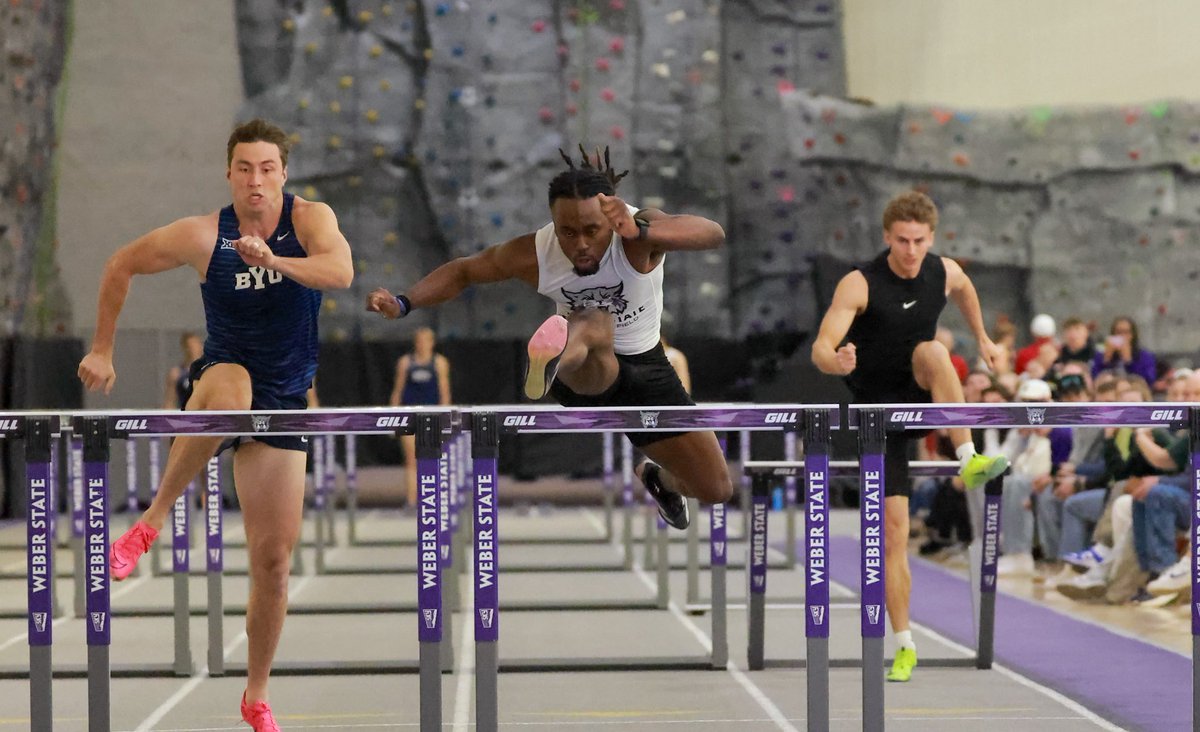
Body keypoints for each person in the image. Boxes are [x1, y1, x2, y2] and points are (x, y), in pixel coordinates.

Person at [76, 119, 354, 732]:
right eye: (244, 169)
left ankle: (256, 694)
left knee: (274, 562)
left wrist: (275, 261)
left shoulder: (308, 221)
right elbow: (121, 264)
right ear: (229, 174)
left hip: (285, 399)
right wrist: (102, 348)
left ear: (283, 174)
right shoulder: (203, 235)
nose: (256, 180)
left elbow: (341, 274)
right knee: (231, 389)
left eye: (267, 169)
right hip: (225, 374)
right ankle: (151, 522)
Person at [366, 145, 732, 527]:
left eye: (592, 231)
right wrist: (403, 302)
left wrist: (640, 228)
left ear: (610, 219)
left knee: (715, 488)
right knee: (594, 321)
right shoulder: (537, 253)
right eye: (567, 233)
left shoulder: (638, 233)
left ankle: (657, 479)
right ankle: (549, 364)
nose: (580, 245)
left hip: (647, 368)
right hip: (586, 369)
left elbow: (713, 233)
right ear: (553, 224)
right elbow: (464, 271)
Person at [810, 190, 1008, 683]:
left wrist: (981, 336)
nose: (912, 250)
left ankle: (967, 456)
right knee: (893, 534)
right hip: (877, 417)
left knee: (936, 352)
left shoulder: (942, 270)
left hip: (921, 394)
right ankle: (903, 645)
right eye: (902, 241)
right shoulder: (860, 283)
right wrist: (833, 361)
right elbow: (820, 345)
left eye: (920, 241)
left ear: (932, 238)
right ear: (887, 237)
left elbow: (965, 290)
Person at [389, 327, 452, 505]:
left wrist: (445, 418)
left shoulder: (439, 362)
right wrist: (393, 416)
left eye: (426, 341)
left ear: (432, 343)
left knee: (433, 457)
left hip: (432, 416)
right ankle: (411, 499)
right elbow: (398, 391)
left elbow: (444, 392)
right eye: (419, 341)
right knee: (411, 459)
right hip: (409, 416)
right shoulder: (405, 362)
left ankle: (434, 498)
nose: (422, 345)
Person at [1091, 315, 1157, 384]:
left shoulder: (1145, 356)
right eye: (1118, 332)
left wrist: (1129, 362)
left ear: (1133, 335)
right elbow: (1094, 379)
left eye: (1126, 332)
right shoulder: (1101, 355)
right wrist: (1106, 360)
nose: (1122, 336)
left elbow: (1148, 381)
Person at [164, 331, 205, 409]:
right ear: (186, 348)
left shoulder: (207, 372)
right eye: (192, 346)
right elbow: (170, 401)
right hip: (185, 415)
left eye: (198, 345)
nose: (197, 349)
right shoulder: (177, 373)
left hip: (202, 415)